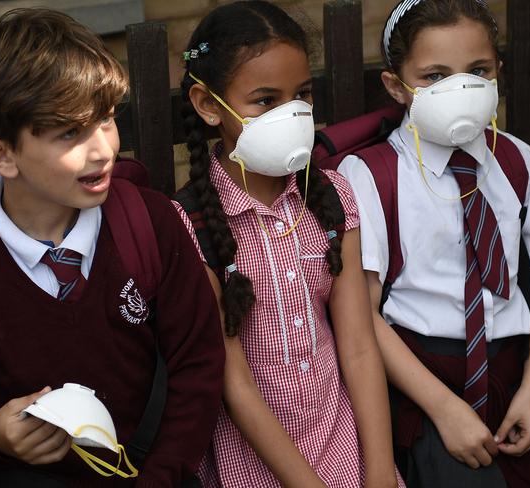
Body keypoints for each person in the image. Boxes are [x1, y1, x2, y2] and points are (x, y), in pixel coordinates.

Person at [0, 9, 224, 487]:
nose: (103, 149)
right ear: (2, 155)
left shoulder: (150, 223)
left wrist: (161, 476)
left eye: (106, 120)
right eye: (70, 132)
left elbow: (198, 366)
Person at [338, 1, 530, 486]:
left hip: (512, 373)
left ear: (497, 74)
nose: (458, 89)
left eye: (477, 71)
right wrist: (443, 408)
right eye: (434, 76)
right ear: (396, 87)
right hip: (423, 381)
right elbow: (363, 311)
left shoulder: (515, 160)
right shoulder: (372, 175)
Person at [172, 2, 404, 487]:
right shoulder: (190, 224)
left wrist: (380, 468)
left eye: (302, 95)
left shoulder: (332, 197)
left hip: (345, 446)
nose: (292, 114)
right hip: (254, 464)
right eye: (265, 100)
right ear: (209, 104)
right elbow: (233, 385)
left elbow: (359, 346)